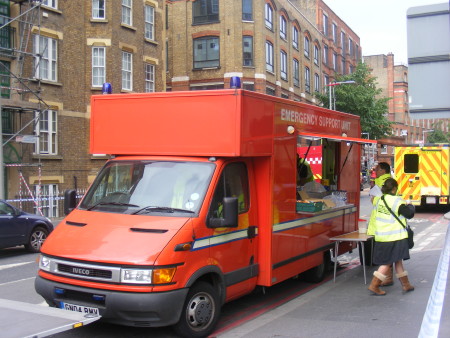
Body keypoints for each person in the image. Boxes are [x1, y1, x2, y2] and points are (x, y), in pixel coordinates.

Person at [367, 178, 415, 296]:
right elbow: (409, 214)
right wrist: (410, 205)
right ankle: (374, 285)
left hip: (382, 236)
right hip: (395, 236)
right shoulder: (396, 201)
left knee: (398, 260)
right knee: (387, 262)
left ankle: (406, 284)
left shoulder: (379, 200)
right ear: (394, 189)